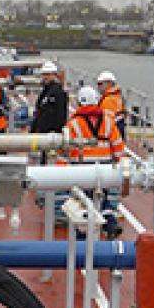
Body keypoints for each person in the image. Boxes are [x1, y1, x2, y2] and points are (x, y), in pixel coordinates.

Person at [64, 84, 126, 237]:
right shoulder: (109, 121)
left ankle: (82, 236)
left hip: (82, 169)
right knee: (102, 197)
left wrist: (62, 172)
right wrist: (120, 167)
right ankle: (110, 223)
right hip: (104, 168)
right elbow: (118, 146)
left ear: (79, 102)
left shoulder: (73, 124)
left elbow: (65, 150)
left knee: (82, 202)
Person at [29, 60, 68, 136]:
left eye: (48, 74)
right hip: (42, 132)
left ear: (54, 75)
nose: (45, 77)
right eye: (44, 74)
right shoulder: (46, 91)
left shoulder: (58, 92)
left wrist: (56, 131)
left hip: (50, 134)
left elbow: (60, 114)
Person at [96, 70, 127, 139]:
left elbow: (106, 122)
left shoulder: (108, 100)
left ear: (109, 83)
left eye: (100, 84)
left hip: (111, 135)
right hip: (119, 132)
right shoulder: (118, 97)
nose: (98, 86)